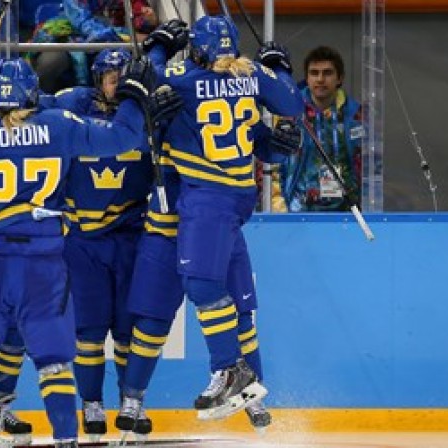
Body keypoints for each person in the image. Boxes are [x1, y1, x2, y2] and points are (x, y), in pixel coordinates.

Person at [0, 56, 180, 448]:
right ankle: (67, 440)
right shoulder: (57, 125)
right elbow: (123, 137)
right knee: (54, 363)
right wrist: (134, 99)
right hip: (42, 263)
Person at [141, 16, 303, 420]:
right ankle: (255, 394)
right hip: (240, 195)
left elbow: (145, 78)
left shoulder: (183, 77)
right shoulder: (252, 74)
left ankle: (228, 369)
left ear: (197, 48)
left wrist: (158, 43)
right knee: (236, 297)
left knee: (201, 283)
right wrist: (278, 66)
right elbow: (293, 105)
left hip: (207, 195)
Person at [50, 48, 154, 442]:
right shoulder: (71, 108)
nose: (119, 82)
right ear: (97, 79)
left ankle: (132, 403)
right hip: (83, 240)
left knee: (129, 331)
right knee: (88, 332)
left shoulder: (147, 111)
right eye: (111, 76)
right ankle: (91, 403)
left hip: (130, 237)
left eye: (125, 75)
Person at [278, 45, 363, 212]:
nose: (320, 79)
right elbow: (271, 164)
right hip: (298, 213)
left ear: (340, 78)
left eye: (327, 73)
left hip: (348, 214)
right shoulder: (289, 113)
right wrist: (279, 208)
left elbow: (371, 166)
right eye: (314, 73)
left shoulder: (357, 116)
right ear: (307, 78)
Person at [29, 0, 158, 93]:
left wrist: (148, 19)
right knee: (52, 61)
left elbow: (141, 20)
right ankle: (42, 105)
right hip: (68, 37)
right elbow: (87, 26)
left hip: (108, 41)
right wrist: (124, 34)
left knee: (134, 56)